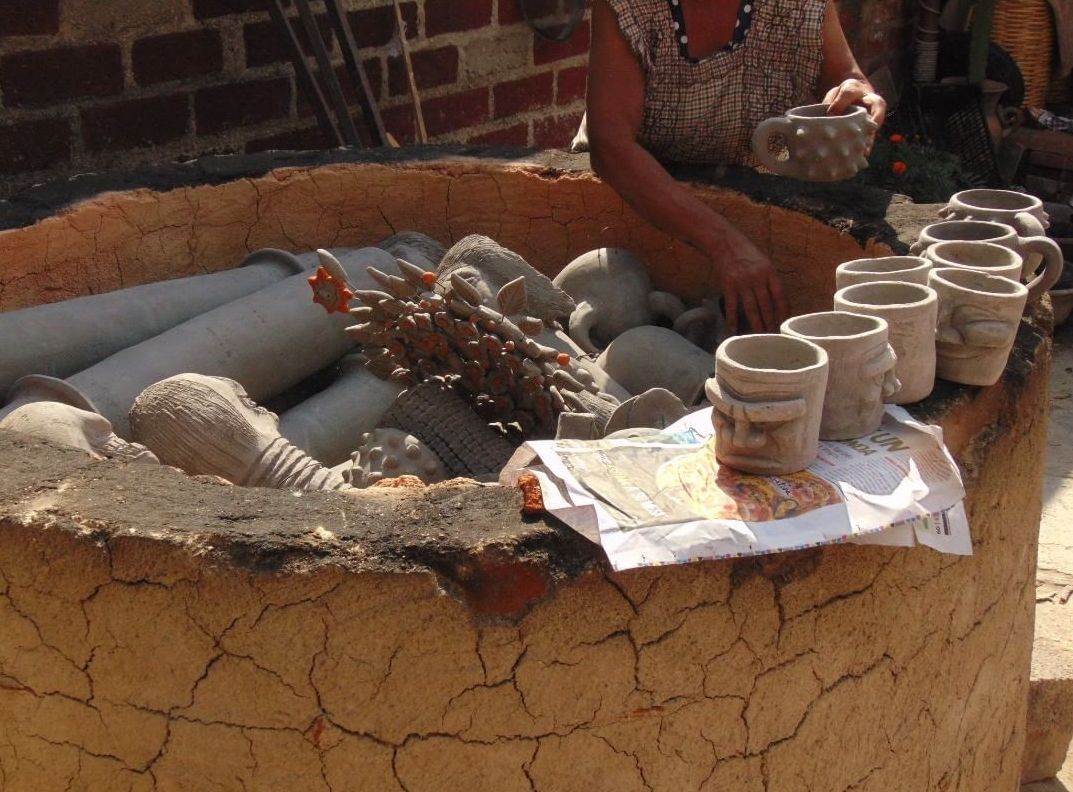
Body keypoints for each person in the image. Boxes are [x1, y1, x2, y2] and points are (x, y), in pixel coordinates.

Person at [575, 0, 887, 334]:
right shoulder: (631, 7)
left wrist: (857, 93)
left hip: (748, 195)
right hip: (642, 201)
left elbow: (843, 77)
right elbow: (612, 148)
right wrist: (726, 245)